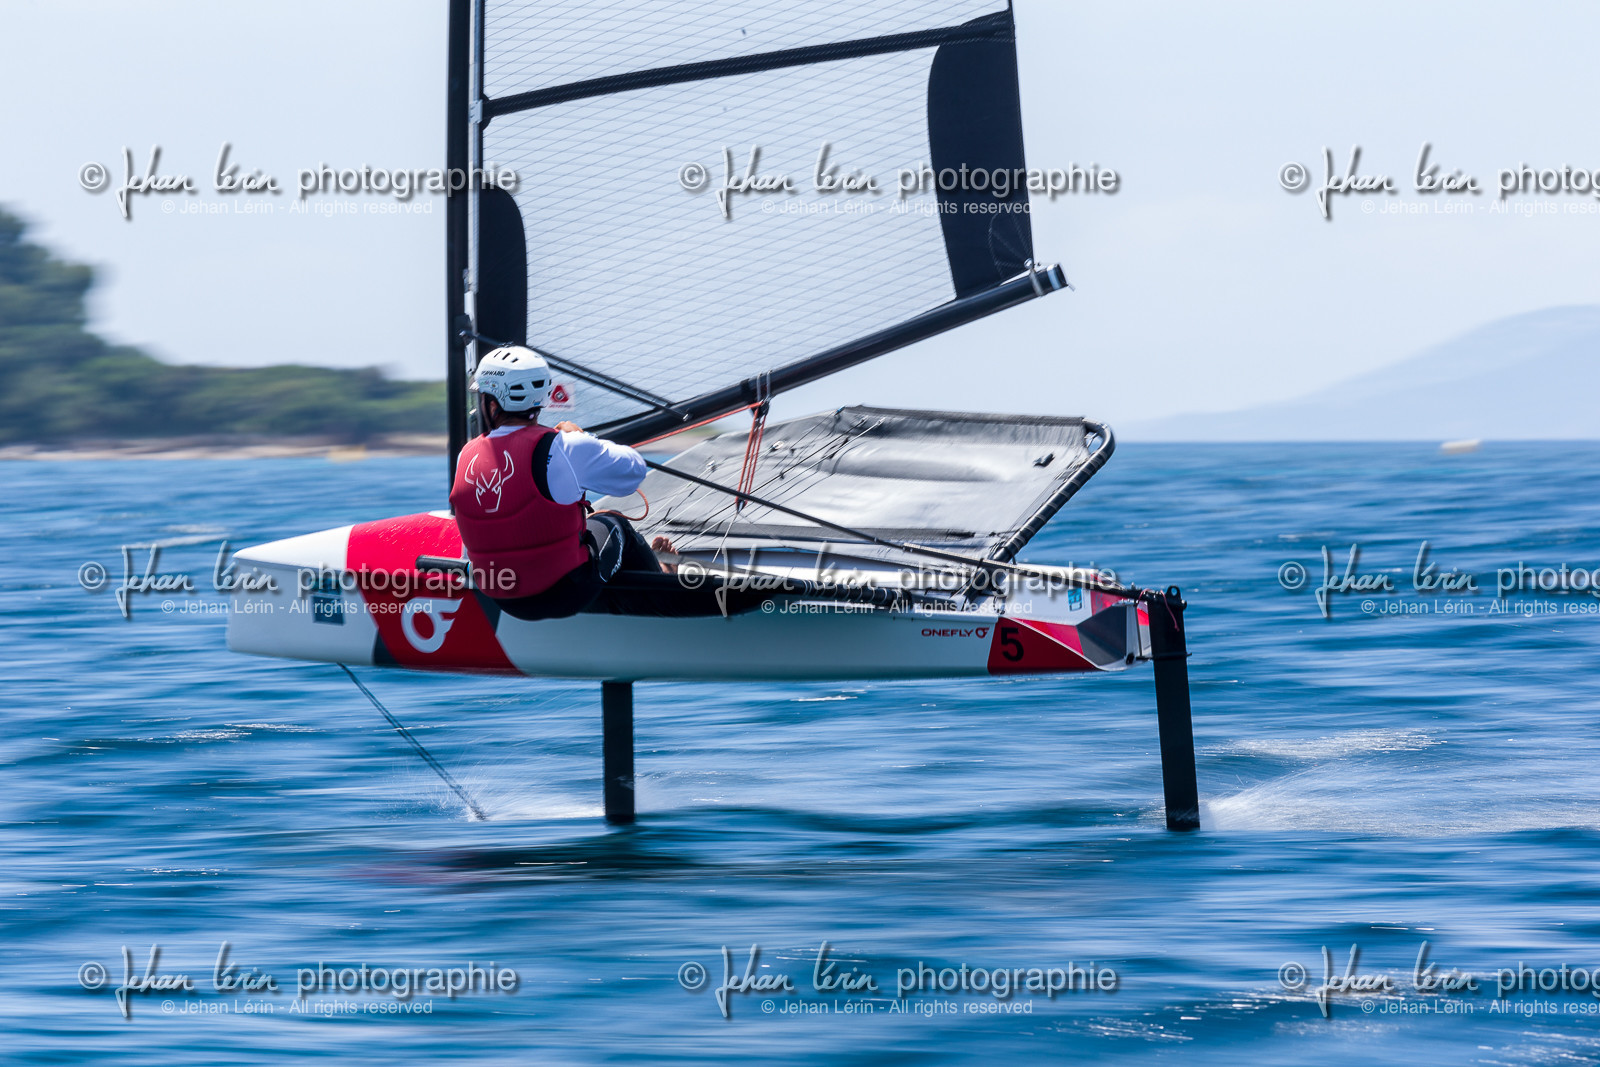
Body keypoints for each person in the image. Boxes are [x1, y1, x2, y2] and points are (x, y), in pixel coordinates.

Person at [449, 345, 674, 620]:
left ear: (492, 404)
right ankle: (664, 582)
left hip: (502, 597)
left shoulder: (466, 455)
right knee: (613, 524)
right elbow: (634, 472)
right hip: (566, 595)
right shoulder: (565, 446)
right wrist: (584, 437)